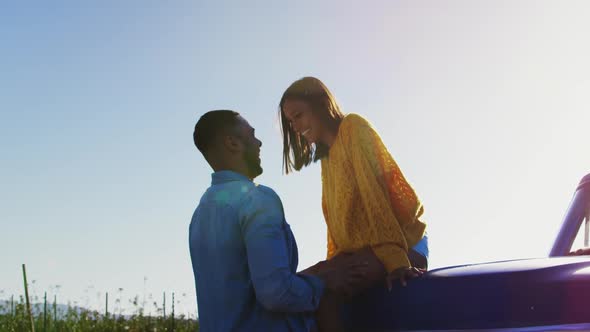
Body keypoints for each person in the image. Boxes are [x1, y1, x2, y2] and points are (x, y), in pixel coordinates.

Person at [189, 110, 367, 332]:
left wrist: (319, 271)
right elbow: (275, 293)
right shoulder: (256, 200)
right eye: (251, 135)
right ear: (232, 143)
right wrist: (323, 284)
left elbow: (244, 289)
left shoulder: (200, 214)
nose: (259, 142)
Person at [279, 77, 429, 293]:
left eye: (298, 115)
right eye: (291, 121)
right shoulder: (326, 157)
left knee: (334, 286)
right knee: (302, 281)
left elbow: (376, 199)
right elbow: (337, 225)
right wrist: (331, 264)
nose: (295, 126)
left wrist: (397, 263)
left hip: (404, 242)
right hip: (364, 251)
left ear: (320, 104)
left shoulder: (353, 128)